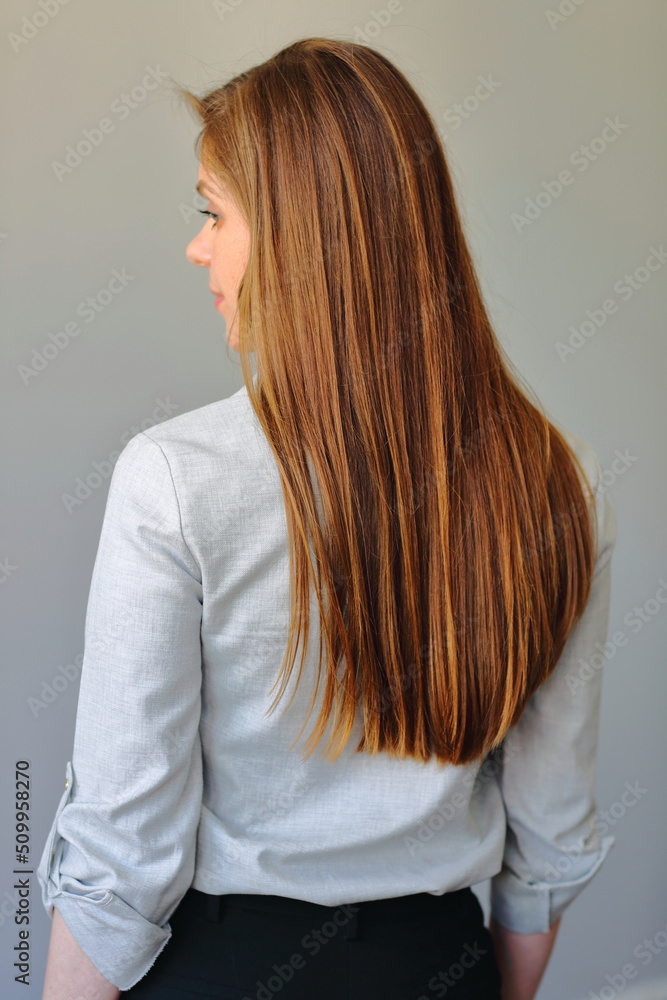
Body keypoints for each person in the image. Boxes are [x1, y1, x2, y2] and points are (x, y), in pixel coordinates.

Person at [38, 37, 617, 1000]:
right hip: (439, 964)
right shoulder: (560, 479)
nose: (196, 246)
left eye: (212, 213)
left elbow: (121, 849)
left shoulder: (173, 479)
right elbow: (549, 832)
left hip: (218, 969)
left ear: (302, 235)